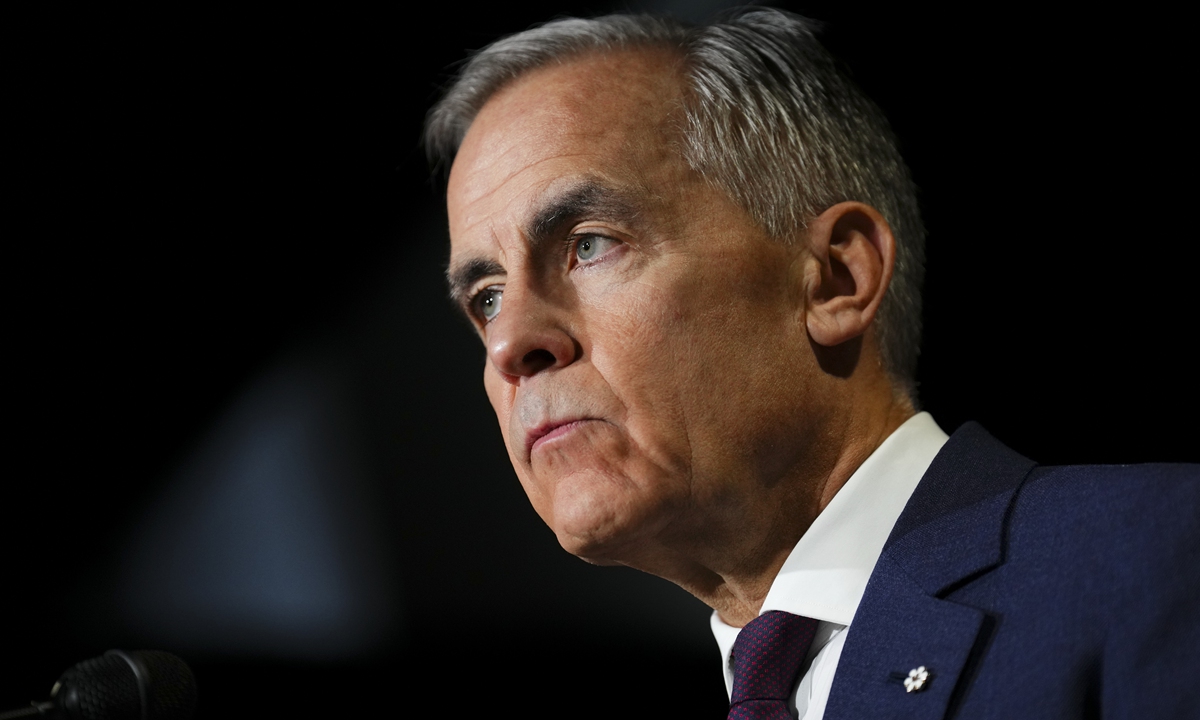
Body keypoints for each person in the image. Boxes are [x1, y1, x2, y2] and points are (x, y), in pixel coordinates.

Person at [424, 9, 1199, 718]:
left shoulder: (1155, 552)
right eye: (486, 297)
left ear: (834, 279)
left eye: (588, 244)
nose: (509, 343)